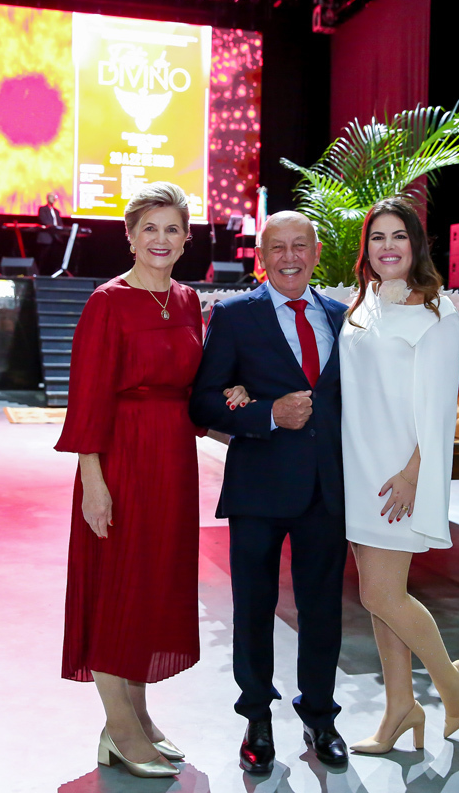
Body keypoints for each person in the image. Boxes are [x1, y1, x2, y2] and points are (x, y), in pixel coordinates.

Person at [189, 211, 350, 776]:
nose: (289, 257)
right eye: (277, 247)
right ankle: (256, 718)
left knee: (322, 609)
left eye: (299, 246)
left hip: (327, 489)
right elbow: (203, 401)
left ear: (316, 252)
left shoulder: (342, 317)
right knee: (253, 608)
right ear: (261, 257)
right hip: (258, 487)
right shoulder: (236, 315)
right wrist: (267, 415)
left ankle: (320, 716)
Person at [53, 181, 204, 779]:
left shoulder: (188, 301)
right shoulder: (107, 303)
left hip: (173, 462)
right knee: (117, 586)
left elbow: (195, 386)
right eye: (150, 228)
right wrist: (93, 480)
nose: (161, 239)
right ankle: (118, 727)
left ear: (186, 239)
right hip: (120, 460)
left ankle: (138, 714)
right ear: (131, 237)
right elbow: (87, 398)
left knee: (151, 586)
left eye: (172, 229)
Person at [337, 198, 459, 754]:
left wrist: (413, 475)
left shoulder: (438, 316)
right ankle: (400, 708)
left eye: (399, 235)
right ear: (367, 249)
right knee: (381, 598)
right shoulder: (364, 305)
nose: (388, 246)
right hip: (358, 469)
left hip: (397, 475)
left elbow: (441, 409)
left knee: (381, 593)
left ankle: (451, 681)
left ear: (416, 245)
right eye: (377, 237)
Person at [36, 192, 67, 275]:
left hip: (56, 238)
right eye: (51, 197)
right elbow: (44, 220)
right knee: (43, 257)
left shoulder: (57, 211)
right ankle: (39, 274)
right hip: (46, 237)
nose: (53, 198)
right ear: (47, 198)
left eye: (54, 197)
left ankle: (54, 274)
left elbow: (60, 223)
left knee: (55, 258)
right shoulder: (42, 209)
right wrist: (54, 227)